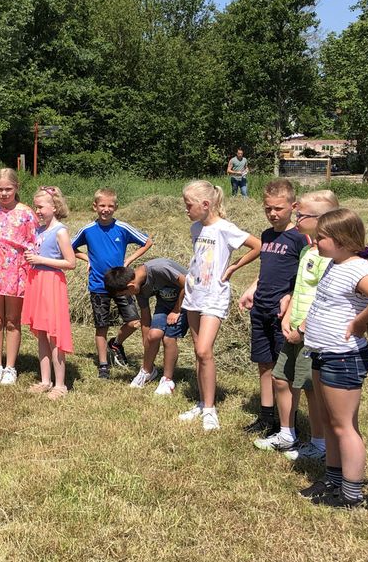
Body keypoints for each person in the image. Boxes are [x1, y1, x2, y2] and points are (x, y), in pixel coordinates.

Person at [302, 208, 368, 508]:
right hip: (323, 352)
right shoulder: (335, 263)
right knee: (331, 422)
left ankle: (351, 494)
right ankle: (333, 479)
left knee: (344, 425)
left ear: (342, 240)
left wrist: (358, 323)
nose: (315, 243)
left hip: (342, 357)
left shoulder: (357, 268)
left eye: (321, 238)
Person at [261, 190, 339, 461]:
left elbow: (324, 297)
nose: (296, 217)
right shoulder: (307, 249)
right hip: (292, 327)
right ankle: (286, 433)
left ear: (322, 219)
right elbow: (298, 287)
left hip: (311, 333)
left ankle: (319, 444)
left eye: (301, 214)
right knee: (281, 378)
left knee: (309, 387)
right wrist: (287, 315)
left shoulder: (329, 257)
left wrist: (303, 327)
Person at [178, 181, 261, 431]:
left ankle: (211, 410)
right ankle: (202, 402)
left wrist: (235, 266)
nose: (186, 210)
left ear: (205, 205)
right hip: (194, 293)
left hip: (214, 295)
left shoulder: (225, 229)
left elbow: (258, 245)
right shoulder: (195, 228)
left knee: (205, 350)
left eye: (188, 205)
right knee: (196, 350)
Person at [238, 179, 310, 439]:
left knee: (285, 370)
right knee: (264, 363)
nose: (273, 214)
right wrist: (252, 288)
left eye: (278, 208)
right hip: (261, 308)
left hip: (284, 314)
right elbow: (265, 269)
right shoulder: (267, 236)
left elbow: (306, 277)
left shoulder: (301, 238)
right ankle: (266, 415)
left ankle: (287, 422)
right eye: (268, 208)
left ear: (294, 206)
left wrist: (290, 298)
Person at [71, 188, 152, 379]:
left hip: (121, 284)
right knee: (101, 325)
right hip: (98, 285)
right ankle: (103, 365)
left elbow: (147, 242)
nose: (105, 209)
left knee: (133, 323)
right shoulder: (88, 230)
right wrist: (86, 258)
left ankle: (115, 343)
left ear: (116, 207)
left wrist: (128, 260)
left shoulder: (122, 228)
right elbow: (68, 247)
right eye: (102, 205)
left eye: (110, 206)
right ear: (95, 206)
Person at [0, 168, 38, 385]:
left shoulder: (26, 213)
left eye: (8, 189)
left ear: (16, 188)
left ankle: (10, 367)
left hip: (17, 271)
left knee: (12, 321)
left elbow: (34, 242)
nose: (4, 193)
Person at [21, 185, 77, 398]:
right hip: (36, 282)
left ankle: (60, 384)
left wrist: (41, 260)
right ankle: (45, 380)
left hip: (52, 283)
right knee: (42, 333)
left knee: (54, 332)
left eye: (41, 207)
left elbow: (70, 262)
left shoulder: (60, 231)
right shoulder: (38, 230)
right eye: (36, 207)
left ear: (55, 207)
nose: (38, 211)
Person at [104, 258, 188, 396]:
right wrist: (147, 341)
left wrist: (176, 310)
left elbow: (188, 285)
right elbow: (145, 315)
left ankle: (167, 380)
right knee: (153, 335)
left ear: (131, 286)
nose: (129, 296)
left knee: (168, 338)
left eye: (126, 294)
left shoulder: (159, 269)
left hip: (187, 301)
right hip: (165, 303)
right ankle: (147, 371)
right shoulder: (139, 287)